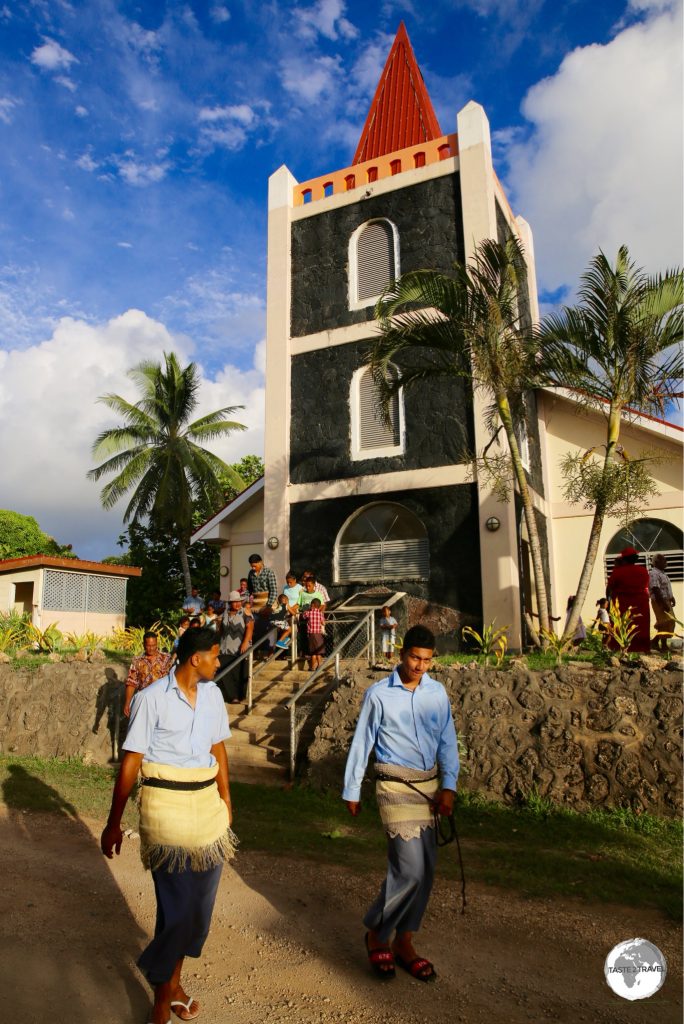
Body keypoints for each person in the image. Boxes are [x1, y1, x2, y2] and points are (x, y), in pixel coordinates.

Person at [101, 627, 237, 1024]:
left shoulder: (213, 694)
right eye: (215, 655)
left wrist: (226, 798)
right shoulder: (150, 699)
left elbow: (218, 746)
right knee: (178, 912)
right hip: (165, 808)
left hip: (207, 807)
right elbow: (131, 762)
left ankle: (170, 980)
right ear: (196, 659)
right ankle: (163, 995)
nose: (218, 661)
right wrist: (114, 823)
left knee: (197, 912)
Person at [342, 624, 459, 983]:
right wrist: (352, 790)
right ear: (401, 654)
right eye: (414, 658)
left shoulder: (437, 693)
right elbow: (363, 741)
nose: (421, 666)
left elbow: (447, 741)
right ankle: (378, 933)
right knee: (408, 870)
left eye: (427, 660)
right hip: (394, 786)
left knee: (426, 872)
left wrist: (449, 786)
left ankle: (404, 942)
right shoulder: (379, 695)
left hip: (429, 787)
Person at [606, 546, 650, 652]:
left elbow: (610, 588)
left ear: (624, 559)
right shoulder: (643, 570)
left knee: (622, 624)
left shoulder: (618, 571)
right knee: (641, 625)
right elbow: (646, 585)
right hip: (641, 602)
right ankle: (642, 647)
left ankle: (620, 647)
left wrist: (609, 600)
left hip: (623, 602)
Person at [123, 632, 173, 718]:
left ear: (157, 644)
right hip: (144, 702)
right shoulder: (137, 661)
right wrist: (127, 703)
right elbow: (131, 682)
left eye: (154, 645)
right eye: (148, 646)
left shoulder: (166, 658)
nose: (151, 648)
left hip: (162, 702)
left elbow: (173, 680)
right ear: (143, 645)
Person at [218, 590, 254, 704]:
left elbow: (250, 627)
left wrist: (245, 643)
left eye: (239, 601)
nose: (237, 604)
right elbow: (220, 630)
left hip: (239, 648)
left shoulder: (245, 612)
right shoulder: (225, 613)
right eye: (234, 602)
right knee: (224, 671)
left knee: (238, 673)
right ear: (230, 603)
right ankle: (231, 696)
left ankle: (238, 696)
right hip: (224, 648)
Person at [649, 554, 676, 653]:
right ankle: (663, 646)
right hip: (659, 601)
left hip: (666, 600)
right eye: (664, 561)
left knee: (669, 621)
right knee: (665, 622)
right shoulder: (654, 573)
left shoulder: (662, 573)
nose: (666, 563)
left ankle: (654, 642)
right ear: (656, 562)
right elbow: (656, 589)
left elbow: (665, 588)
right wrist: (663, 603)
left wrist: (671, 597)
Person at [301, 597, 325, 671]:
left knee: (313, 651)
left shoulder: (309, 613)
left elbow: (303, 616)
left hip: (311, 634)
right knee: (319, 651)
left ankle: (313, 666)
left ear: (312, 605)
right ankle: (320, 665)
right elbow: (323, 622)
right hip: (318, 634)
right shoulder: (320, 613)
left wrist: (307, 610)